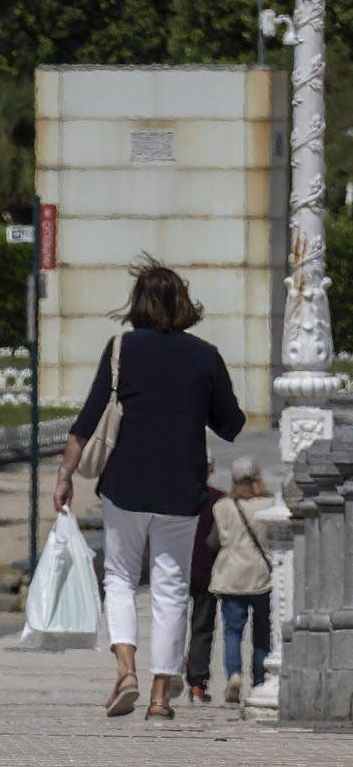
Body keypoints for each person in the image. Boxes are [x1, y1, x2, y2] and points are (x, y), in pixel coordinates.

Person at [53, 262, 245, 721]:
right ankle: (161, 696)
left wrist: (64, 474)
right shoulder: (205, 355)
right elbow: (231, 423)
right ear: (182, 303)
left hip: (125, 484)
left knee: (119, 577)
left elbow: (88, 418)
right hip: (181, 487)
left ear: (137, 304)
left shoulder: (122, 348)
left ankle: (126, 671)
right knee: (172, 586)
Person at [208, 457, 274, 705]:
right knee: (261, 632)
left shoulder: (223, 506)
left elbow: (213, 542)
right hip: (260, 575)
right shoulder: (268, 504)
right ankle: (259, 681)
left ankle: (234, 674)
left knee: (233, 630)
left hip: (231, 574)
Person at [186, 451, 224, 704]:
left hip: (175, 569)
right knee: (202, 628)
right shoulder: (219, 500)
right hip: (206, 571)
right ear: (210, 469)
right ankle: (197, 683)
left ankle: (165, 675)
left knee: (171, 621)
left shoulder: (173, 495)